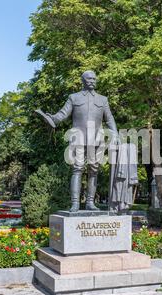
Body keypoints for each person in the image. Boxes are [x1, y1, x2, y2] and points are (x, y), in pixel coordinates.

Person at [41, 71, 119, 212]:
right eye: (89, 78)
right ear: (83, 80)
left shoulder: (103, 100)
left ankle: (90, 202)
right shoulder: (74, 98)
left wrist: (115, 133)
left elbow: (109, 119)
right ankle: (75, 203)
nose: (92, 81)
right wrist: (52, 118)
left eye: (94, 78)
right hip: (78, 137)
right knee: (77, 169)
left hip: (96, 140)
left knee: (94, 171)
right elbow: (63, 114)